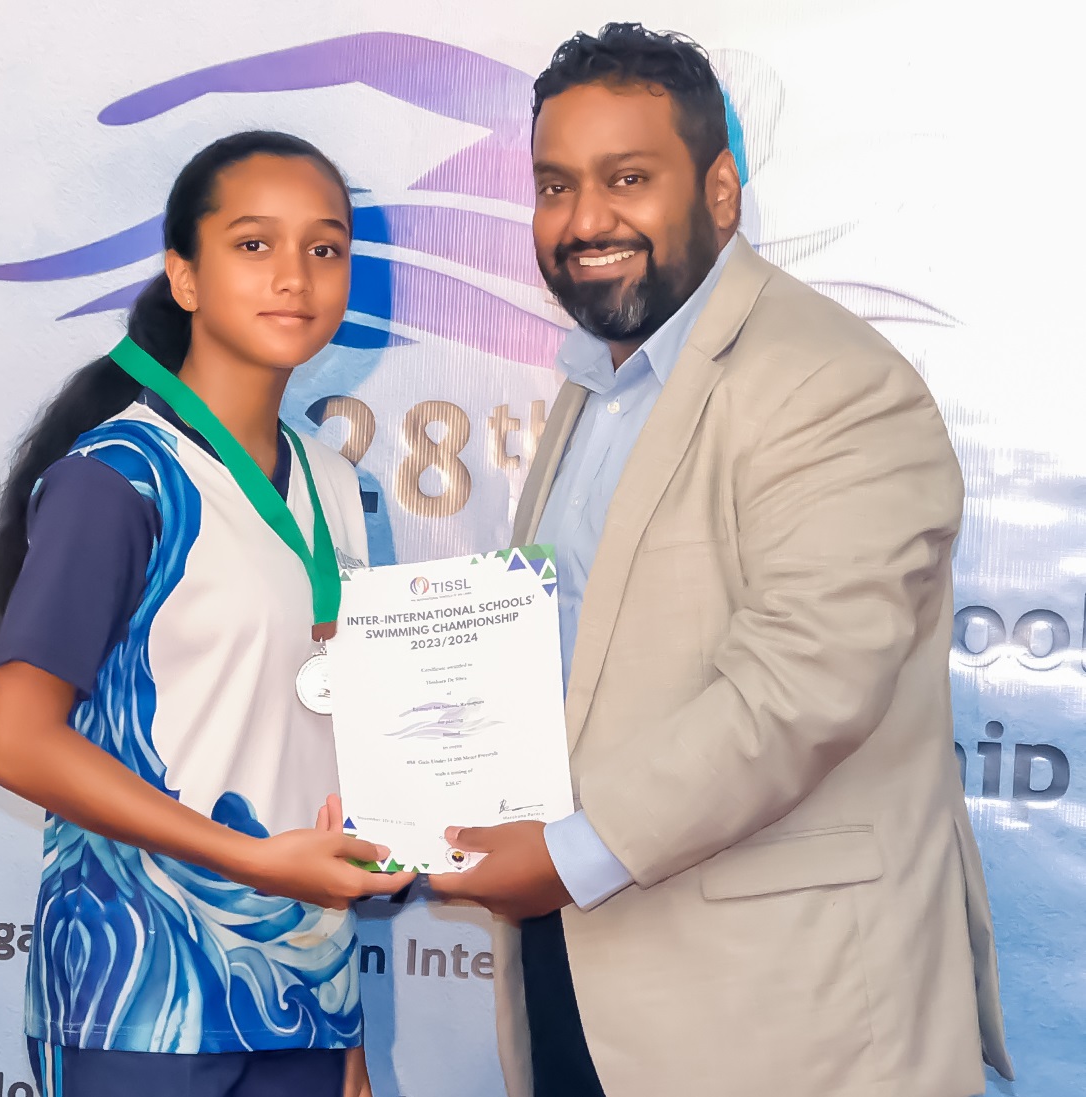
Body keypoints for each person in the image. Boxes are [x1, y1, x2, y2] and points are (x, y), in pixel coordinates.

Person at [430, 24, 1014, 1097]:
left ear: (721, 191)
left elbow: (800, 690)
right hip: (579, 969)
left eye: (628, 179)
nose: (584, 219)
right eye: (554, 185)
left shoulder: (830, 381)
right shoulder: (598, 382)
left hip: (776, 1011)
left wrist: (564, 852)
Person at [0, 130, 412, 1097]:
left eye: (324, 248)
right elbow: (12, 741)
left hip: (302, 1001)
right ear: (185, 276)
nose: (294, 275)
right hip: (141, 997)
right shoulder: (119, 475)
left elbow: (319, 753)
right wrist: (255, 858)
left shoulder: (338, 485)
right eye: (254, 244)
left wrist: (349, 1028)